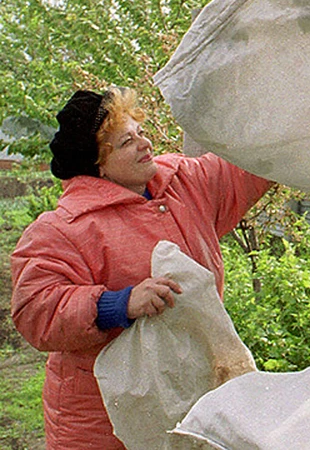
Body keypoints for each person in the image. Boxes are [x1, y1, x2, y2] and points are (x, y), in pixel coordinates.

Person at [11, 86, 272, 450]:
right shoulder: (62, 229)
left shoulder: (183, 183)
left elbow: (252, 165)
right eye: (125, 143)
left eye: (141, 133)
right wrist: (119, 303)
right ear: (96, 164)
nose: (145, 144)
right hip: (102, 418)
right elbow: (37, 311)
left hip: (189, 391)